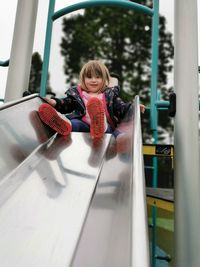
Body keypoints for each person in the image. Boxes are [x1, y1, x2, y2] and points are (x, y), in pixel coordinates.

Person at [38, 60, 145, 140]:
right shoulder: (78, 94)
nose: (93, 80)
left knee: (117, 135)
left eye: (98, 77)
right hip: (83, 124)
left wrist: (133, 107)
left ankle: (100, 126)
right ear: (83, 79)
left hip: (106, 128)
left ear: (104, 79)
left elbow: (121, 107)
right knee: (74, 123)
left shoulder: (109, 95)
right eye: (89, 77)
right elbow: (67, 104)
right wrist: (55, 102)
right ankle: (62, 124)